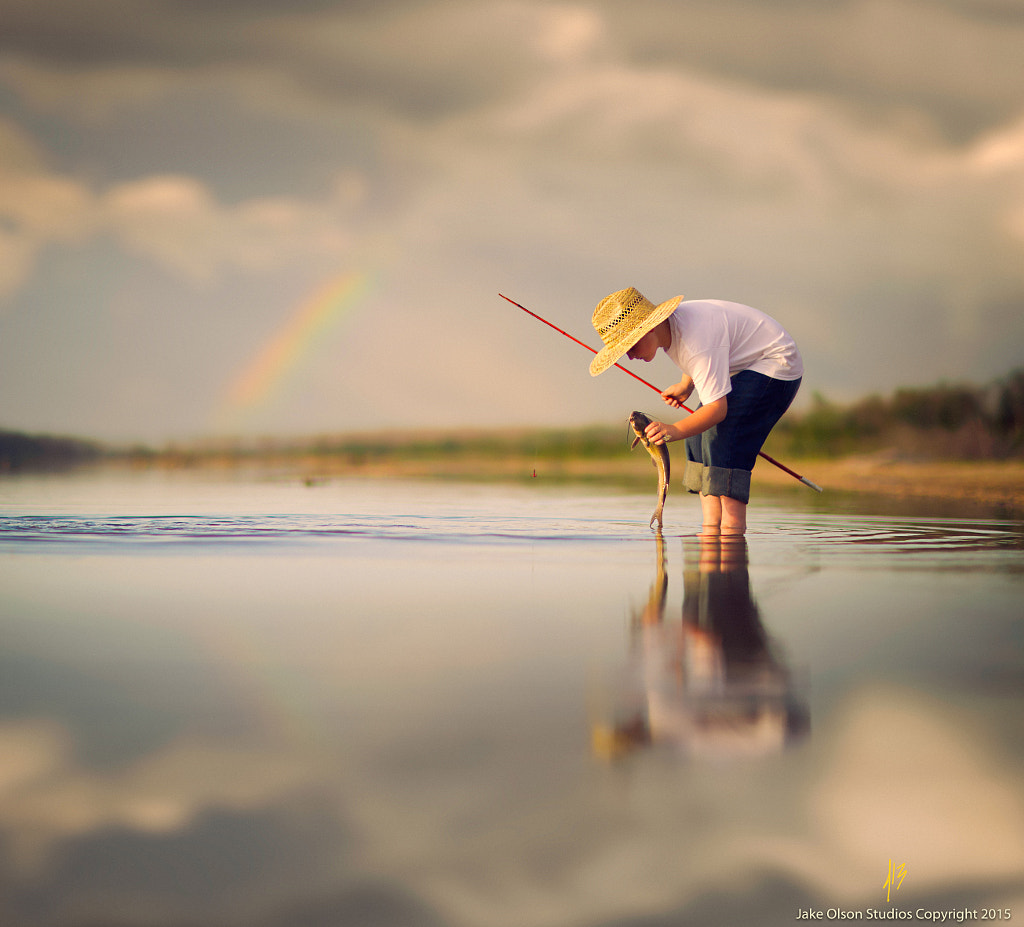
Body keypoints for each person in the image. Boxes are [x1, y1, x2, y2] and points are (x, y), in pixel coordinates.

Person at [590, 287, 803, 534]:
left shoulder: (696, 342)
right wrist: (686, 384)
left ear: (648, 328)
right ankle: (711, 529)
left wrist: (672, 430)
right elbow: (697, 356)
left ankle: (732, 533)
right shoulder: (675, 330)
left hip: (776, 365)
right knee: (697, 436)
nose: (628, 356)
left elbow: (717, 409)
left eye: (629, 346)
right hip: (743, 365)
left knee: (724, 438)